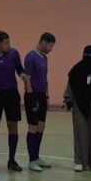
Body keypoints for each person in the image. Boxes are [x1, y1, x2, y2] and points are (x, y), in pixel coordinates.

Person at [0, 30, 30, 172]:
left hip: (12, 94)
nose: (9, 45)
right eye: (6, 43)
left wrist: (23, 75)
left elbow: (20, 69)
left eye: (9, 42)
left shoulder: (14, 54)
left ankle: (12, 160)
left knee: (12, 126)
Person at [24, 33, 56, 172]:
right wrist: (31, 99)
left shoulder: (44, 58)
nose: (51, 49)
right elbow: (27, 79)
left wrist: (47, 97)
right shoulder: (30, 57)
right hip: (33, 95)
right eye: (50, 45)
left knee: (41, 126)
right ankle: (31, 160)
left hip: (42, 95)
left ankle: (36, 157)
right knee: (33, 127)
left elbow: (45, 78)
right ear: (43, 42)